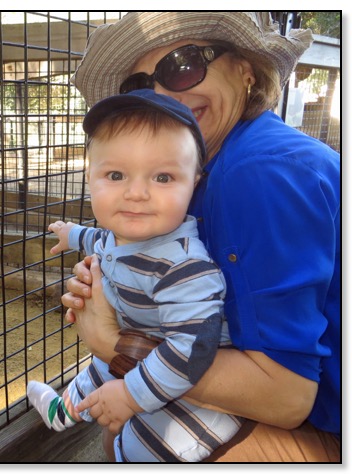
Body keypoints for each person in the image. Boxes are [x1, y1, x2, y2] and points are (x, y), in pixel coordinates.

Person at [61, 12, 341, 462]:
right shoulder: (203, 169)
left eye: (183, 63)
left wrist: (116, 342)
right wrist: (117, 281)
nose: (162, 94)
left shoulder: (256, 174)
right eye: (139, 85)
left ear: (246, 70)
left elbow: (286, 397)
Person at [28, 89, 244, 461]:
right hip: (138, 348)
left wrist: (130, 395)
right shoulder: (122, 236)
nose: (136, 193)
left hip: (195, 399)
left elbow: (192, 348)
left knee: (138, 448)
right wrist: (70, 234)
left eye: (162, 177)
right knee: (92, 373)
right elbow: (99, 239)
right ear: (89, 177)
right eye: (115, 175)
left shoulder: (183, 266)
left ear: (194, 182)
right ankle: (60, 413)